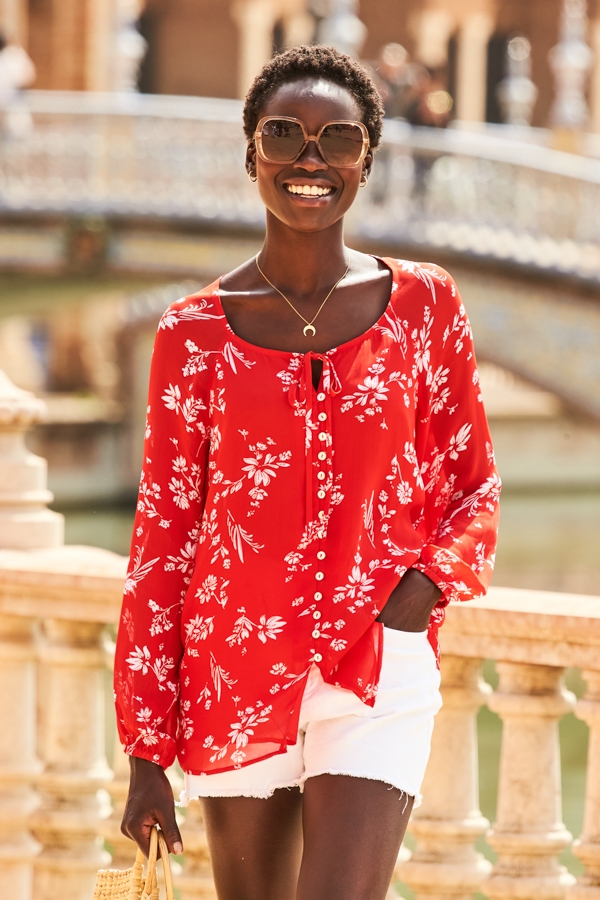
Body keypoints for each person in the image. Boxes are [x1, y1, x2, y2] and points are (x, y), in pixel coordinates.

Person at [115, 45, 500, 900]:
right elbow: (163, 537)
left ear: (369, 160)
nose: (310, 159)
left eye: (340, 139)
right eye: (284, 134)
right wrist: (145, 752)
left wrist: (423, 590)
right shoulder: (193, 332)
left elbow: (474, 484)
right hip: (232, 669)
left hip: (377, 663)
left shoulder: (425, 305)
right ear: (252, 153)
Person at [0, 31, 35, 137]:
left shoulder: (13, 55)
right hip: (8, 105)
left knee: (17, 134)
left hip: (14, 105)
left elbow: (27, 77)